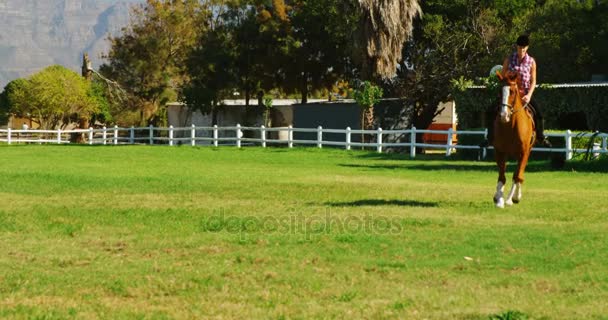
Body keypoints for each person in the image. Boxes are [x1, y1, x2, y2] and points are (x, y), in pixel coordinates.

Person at [482, 35, 551, 148]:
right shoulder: (508, 60)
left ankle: (541, 137)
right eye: (520, 47)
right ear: (516, 46)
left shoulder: (531, 62)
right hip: (509, 94)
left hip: (524, 95)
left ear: (527, 47)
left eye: (524, 48)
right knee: (490, 110)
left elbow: (533, 81)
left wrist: (529, 95)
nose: (521, 50)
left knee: (539, 114)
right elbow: (503, 77)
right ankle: (489, 138)